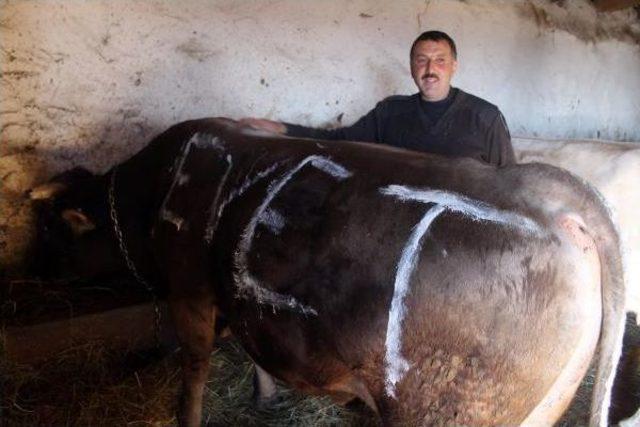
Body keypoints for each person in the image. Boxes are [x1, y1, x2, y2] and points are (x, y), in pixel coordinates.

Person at [241, 30, 515, 167]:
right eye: (422, 60)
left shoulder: (486, 117)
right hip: (399, 226)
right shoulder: (390, 113)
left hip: (465, 238)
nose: (430, 70)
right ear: (411, 66)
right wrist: (284, 130)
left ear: (454, 66)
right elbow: (341, 141)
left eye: (439, 61)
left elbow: (509, 183)